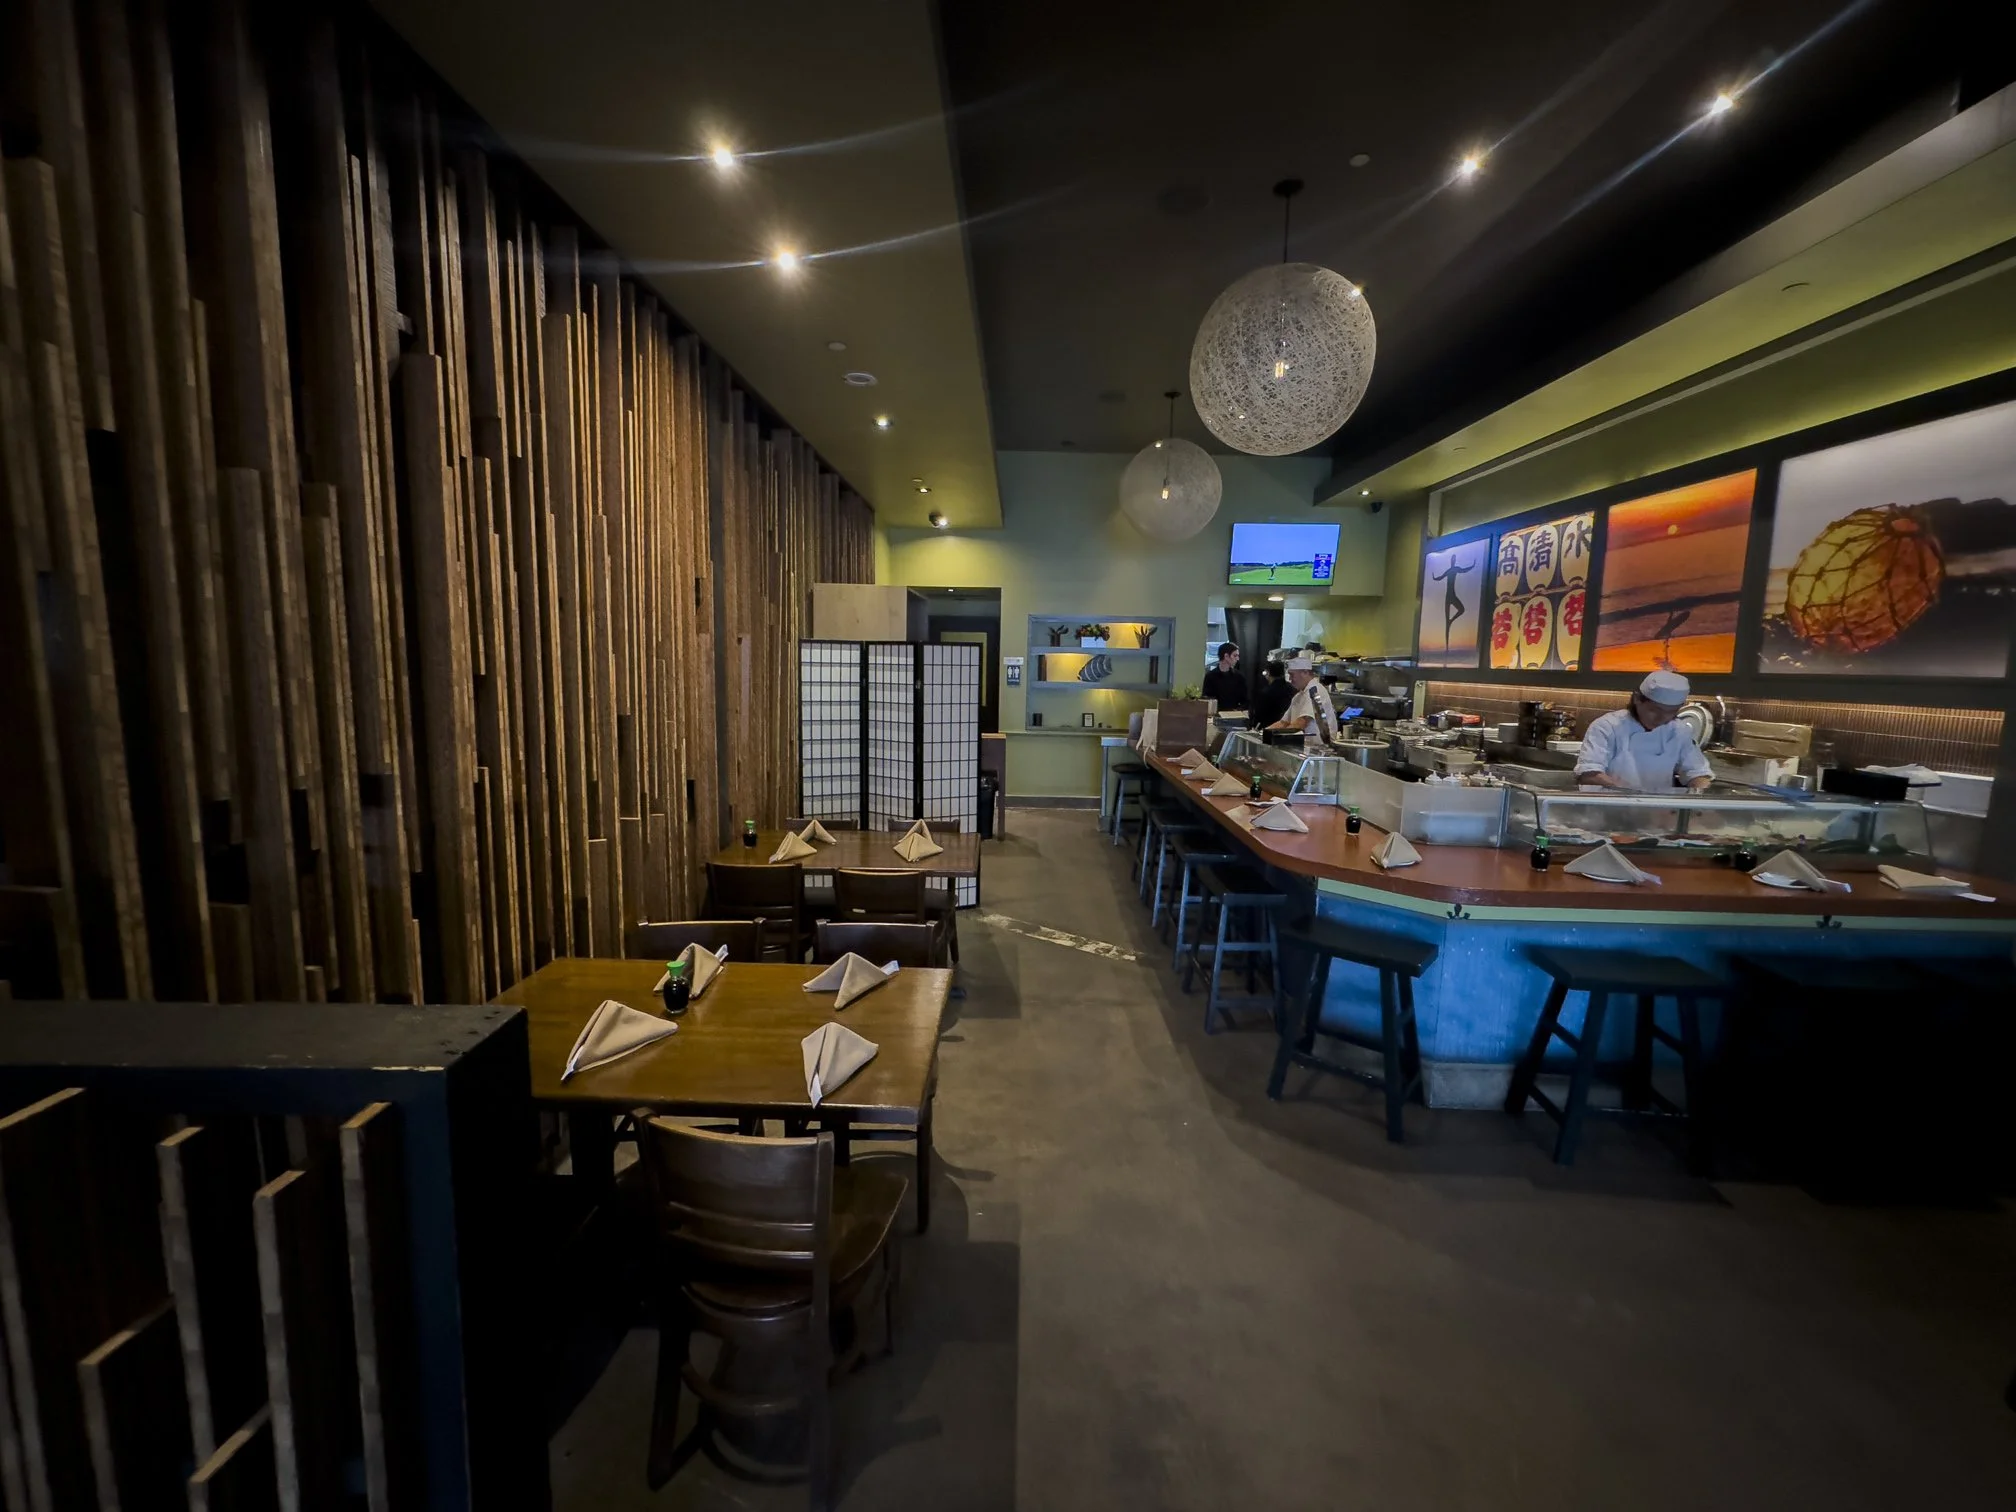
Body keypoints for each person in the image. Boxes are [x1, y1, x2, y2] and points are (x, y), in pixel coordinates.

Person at [1575, 670, 1714, 791]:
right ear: (1637, 699)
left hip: (1657, 812)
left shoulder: (1679, 730)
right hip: (1606, 810)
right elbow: (1589, 774)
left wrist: (1702, 801)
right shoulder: (1607, 726)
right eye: (1655, 710)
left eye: (1671, 712)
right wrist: (1631, 794)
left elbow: (1696, 773)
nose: (1662, 718)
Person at [1267, 654, 1337, 744]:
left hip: (1321, 749)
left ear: (1305, 673)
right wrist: (1264, 733)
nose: (1290, 680)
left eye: (1292, 675)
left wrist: (1279, 738)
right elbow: (1283, 723)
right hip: (1305, 748)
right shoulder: (1298, 696)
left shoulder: (1315, 690)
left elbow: (1302, 722)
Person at [1201, 642, 1247, 711]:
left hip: (1235, 715)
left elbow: (1246, 700)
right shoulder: (1210, 676)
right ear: (1226, 656)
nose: (1237, 659)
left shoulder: (1239, 677)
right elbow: (1206, 699)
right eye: (1235, 655)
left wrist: (1238, 710)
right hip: (1216, 715)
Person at [1251, 660, 1293, 727]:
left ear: (1268, 673)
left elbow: (1259, 715)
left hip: (1269, 727)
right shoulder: (1292, 689)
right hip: (1289, 726)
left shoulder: (1265, 693)